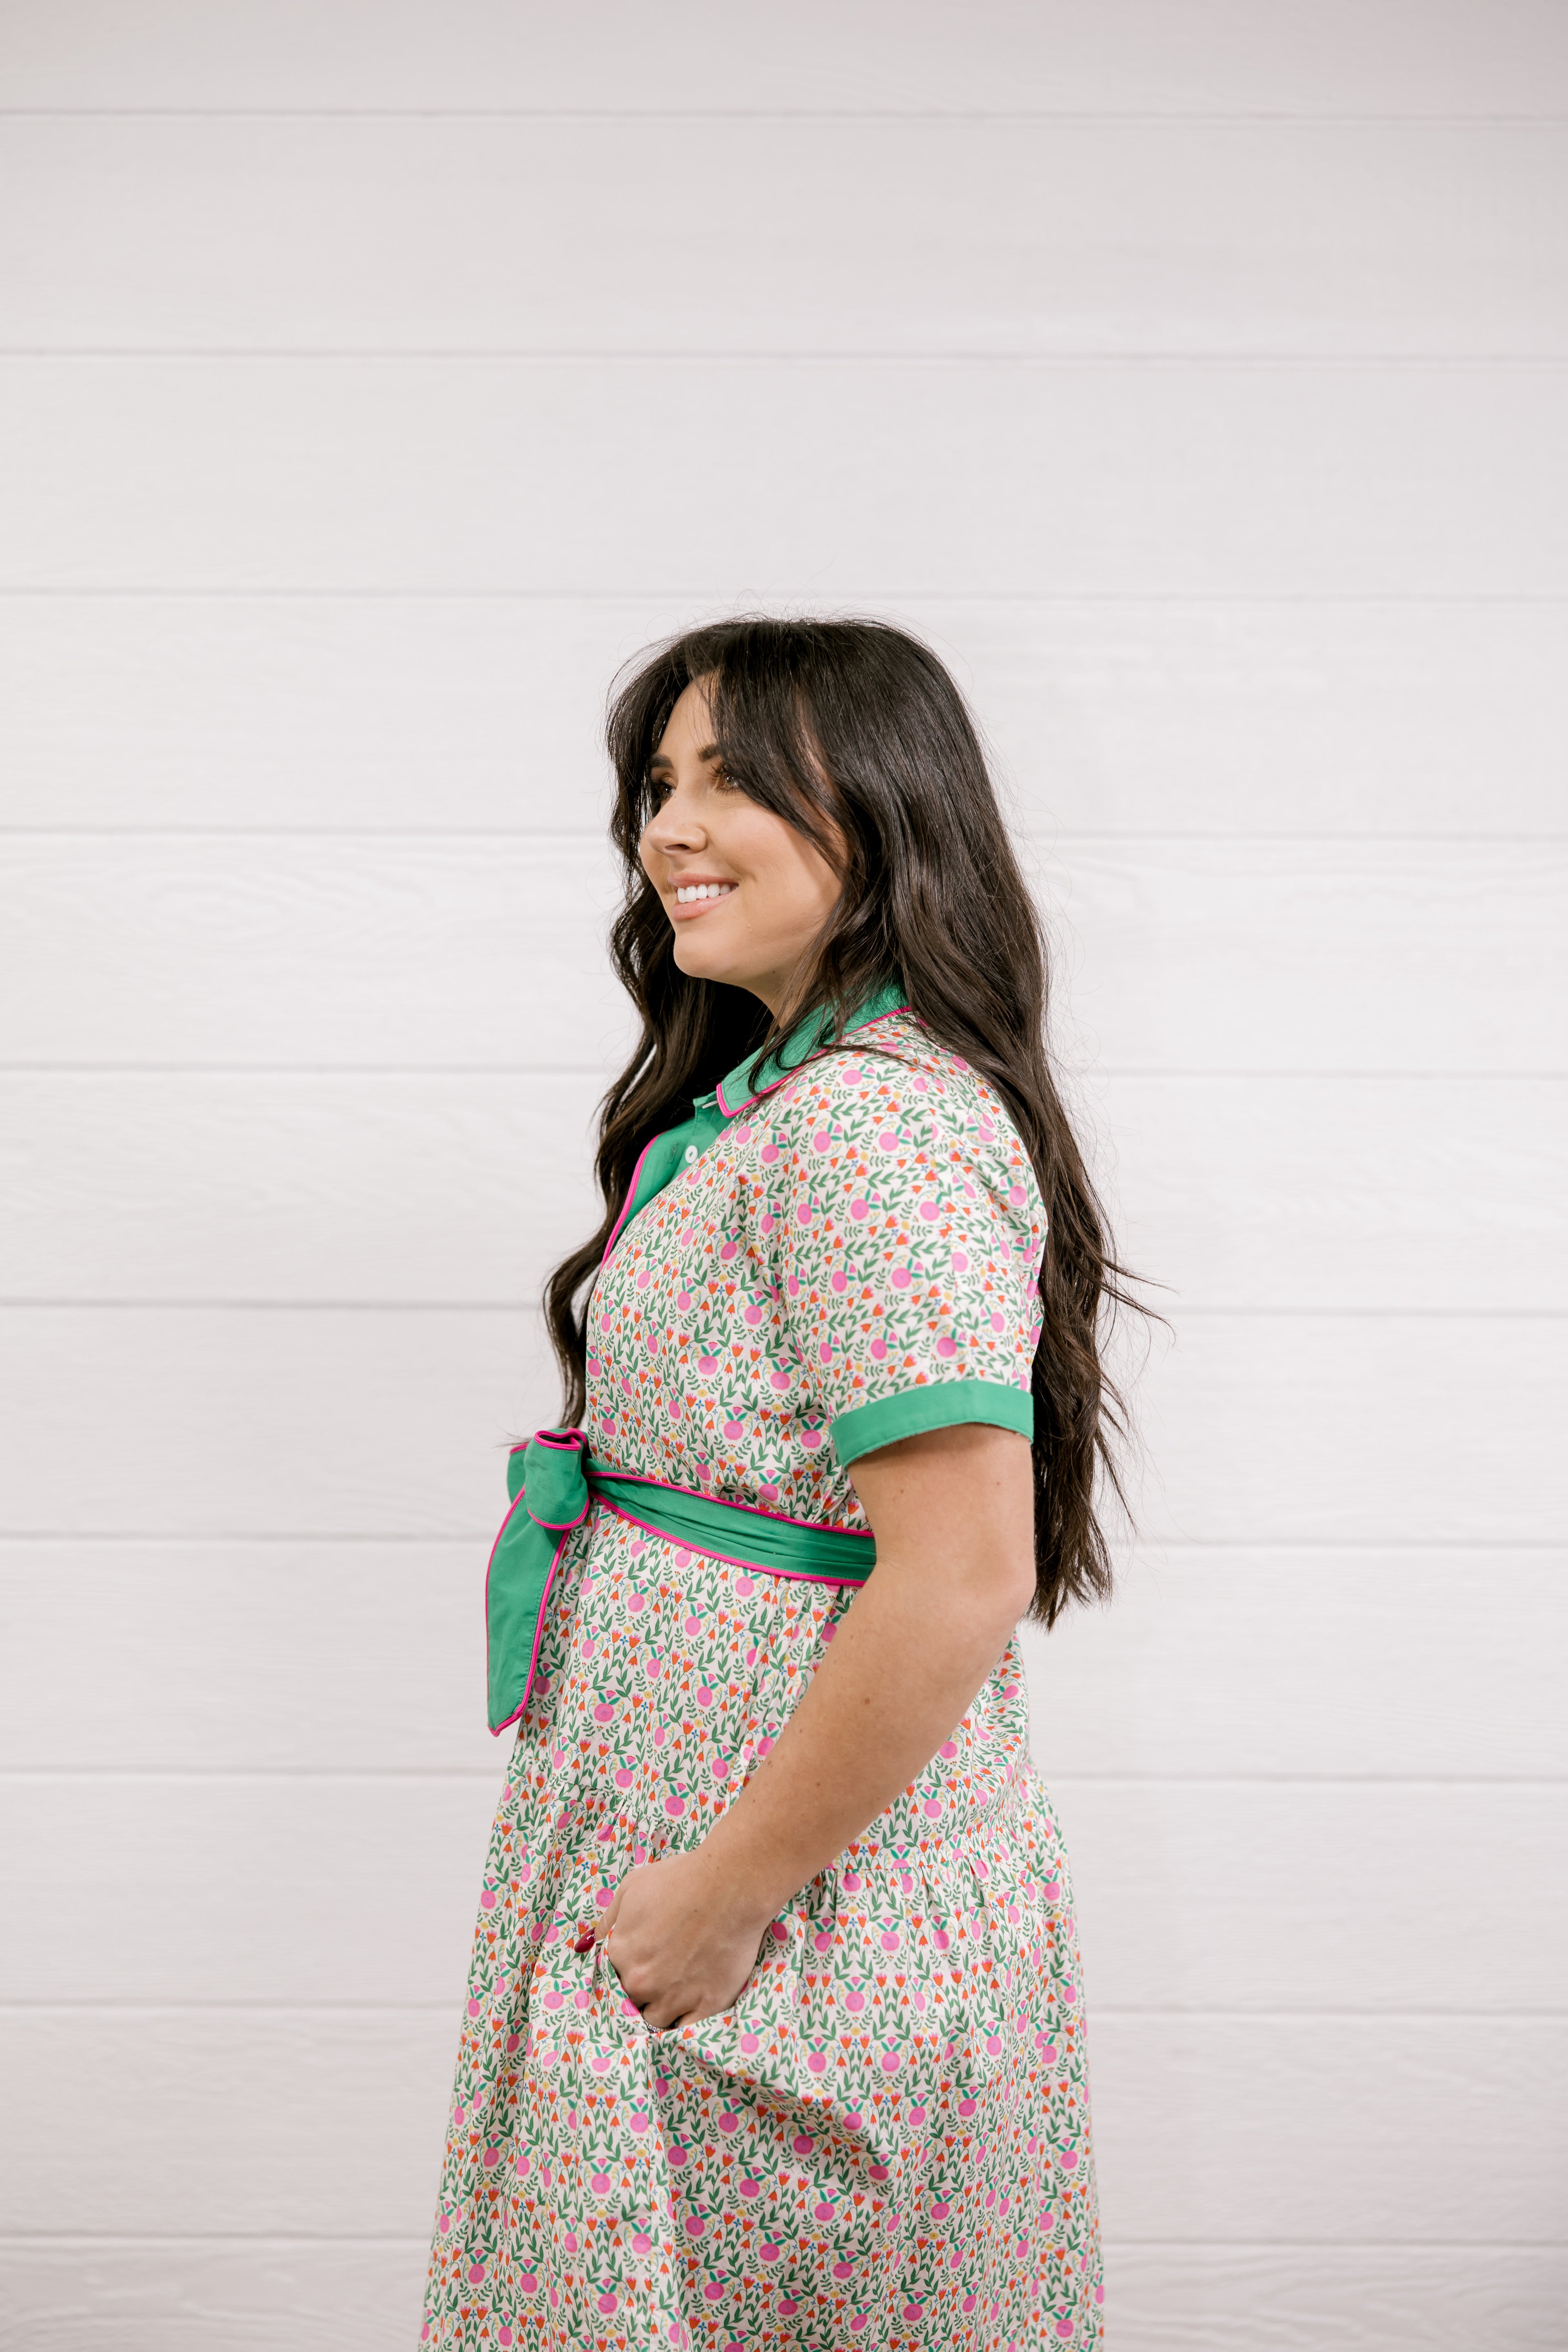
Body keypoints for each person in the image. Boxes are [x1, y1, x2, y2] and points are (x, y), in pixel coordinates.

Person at [419, 616, 1132, 2350]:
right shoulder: (778, 1103)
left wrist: (727, 1893)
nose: (670, 827)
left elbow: (957, 1575)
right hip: (703, 1868)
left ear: (885, 811)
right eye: (660, 783)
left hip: (792, 1915)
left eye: (731, 779)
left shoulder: (870, 1133)